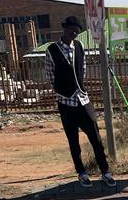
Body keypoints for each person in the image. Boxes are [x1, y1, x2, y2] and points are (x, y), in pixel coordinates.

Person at [44, 16, 116, 189]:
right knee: (73, 140)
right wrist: (62, 89)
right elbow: (50, 75)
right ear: (64, 29)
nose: (73, 34)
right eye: (71, 31)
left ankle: (105, 171)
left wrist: (79, 87)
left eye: (76, 31)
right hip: (65, 101)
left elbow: (82, 69)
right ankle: (81, 172)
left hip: (82, 99)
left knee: (96, 137)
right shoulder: (52, 49)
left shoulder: (79, 46)